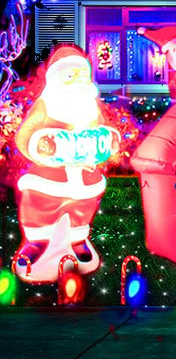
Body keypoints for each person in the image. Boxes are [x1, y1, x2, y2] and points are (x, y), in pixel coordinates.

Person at [14, 45, 118, 281]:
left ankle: (78, 238)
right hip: (51, 174)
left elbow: (104, 126)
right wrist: (38, 145)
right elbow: (25, 134)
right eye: (70, 75)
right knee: (39, 204)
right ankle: (37, 240)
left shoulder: (90, 105)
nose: (78, 81)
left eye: (83, 75)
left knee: (83, 206)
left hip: (84, 173)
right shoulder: (47, 105)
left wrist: (110, 139)